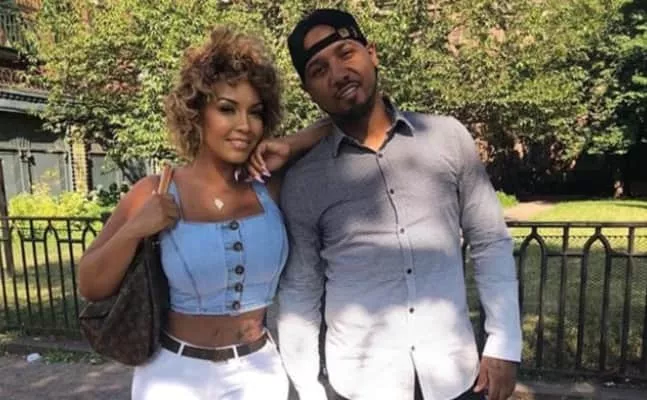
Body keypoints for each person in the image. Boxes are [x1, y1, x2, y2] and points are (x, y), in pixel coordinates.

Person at [273, 9, 522, 400]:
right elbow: (301, 290)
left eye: (346, 53)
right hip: (361, 384)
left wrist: (504, 343)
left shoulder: (447, 138)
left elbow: (490, 240)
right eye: (319, 70)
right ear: (308, 90)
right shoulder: (305, 180)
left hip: (455, 375)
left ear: (372, 53)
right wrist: (306, 388)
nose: (338, 74)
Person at [77, 26, 330, 400]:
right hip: (173, 376)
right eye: (227, 109)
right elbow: (89, 283)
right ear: (196, 113)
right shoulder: (155, 190)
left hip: (258, 373)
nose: (244, 125)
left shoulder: (270, 187)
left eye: (255, 112)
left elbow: (336, 124)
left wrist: (289, 144)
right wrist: (135, 230)